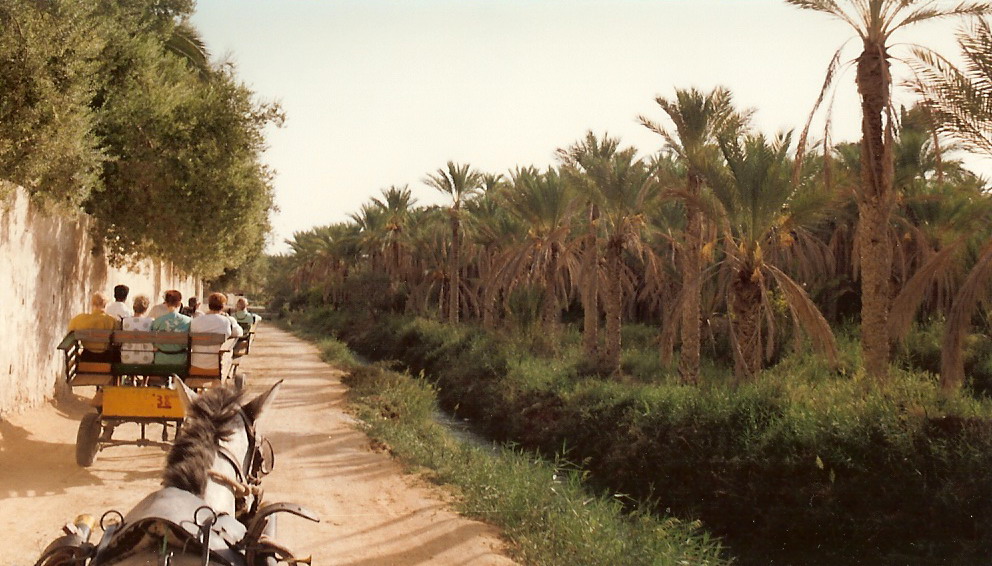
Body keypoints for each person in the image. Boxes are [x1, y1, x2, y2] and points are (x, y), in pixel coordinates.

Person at [190, 293, 243, 370]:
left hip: (196, 363)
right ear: (223, 306)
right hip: (218, 364)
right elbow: (239, 333)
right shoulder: (226, 321)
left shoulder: (195, 321)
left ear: (209, 305)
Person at [68, 292, 120, 362]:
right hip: (105, 358)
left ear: (92, 303)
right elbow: (117, 338)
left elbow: (70, 331)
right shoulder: (112, 320)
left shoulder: (79, 319)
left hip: (87, 357)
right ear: (105, 305)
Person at [150, 289, 191, 365]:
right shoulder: (188, 321)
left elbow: (153, 341)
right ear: (179, 303)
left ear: (166, 303)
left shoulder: (158, 321)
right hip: (181, 360)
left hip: (161, 359)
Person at [120, 295, 154, 364]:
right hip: (146, 358)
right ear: (146, 309)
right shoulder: (150, 321)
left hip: (127, 357)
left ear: (133, 307)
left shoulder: (125, 321)